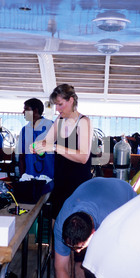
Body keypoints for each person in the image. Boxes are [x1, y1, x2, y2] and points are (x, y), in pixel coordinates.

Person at [54, 177, 137, 278]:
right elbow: (61, 268)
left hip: (125, 197)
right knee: (81, 261)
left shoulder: (110, 223)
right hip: (94, 188)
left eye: (80, 247)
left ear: (93, 233)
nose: (77, 251)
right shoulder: (61, 224)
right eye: (72, 247)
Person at [32, 84, 93, 219]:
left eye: (60, 104)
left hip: (78, 186)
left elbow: (83, 156)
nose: (57, 109)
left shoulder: (84, 122)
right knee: (56, 223)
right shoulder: (59, 120)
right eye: (55, 105)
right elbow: (46, 143)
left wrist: (54, 147)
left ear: (71, 100)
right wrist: (37, 146)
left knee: (73, 227)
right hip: (60, 182)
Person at [17, 98, 54, 179]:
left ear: (35, 111)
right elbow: (21, 157)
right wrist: (22, 178)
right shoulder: (25, 130)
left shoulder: (51, 127)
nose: (23, 112)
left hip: (49, 177)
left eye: (26, 109)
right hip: (29, 177)